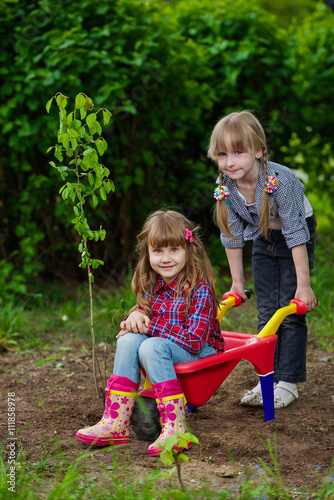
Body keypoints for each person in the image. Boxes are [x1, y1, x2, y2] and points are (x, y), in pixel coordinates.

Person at [76, 209, 225, 455]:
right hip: (167, 348)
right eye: (158, 251)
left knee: (150, 345)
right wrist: (134, 316)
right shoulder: (151, 283)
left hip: (201, 354)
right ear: (147, 253)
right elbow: (144, 316)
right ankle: (116, 422)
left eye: (174, 250)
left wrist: (151, 326)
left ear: (189, 251)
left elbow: (196, 341)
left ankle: (176, 428)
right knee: (129, 339)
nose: (166, 259)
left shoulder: (199, 290)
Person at [207, 110, 317, 409]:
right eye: (222, 154)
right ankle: (269, 377)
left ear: (258, 151)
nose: (230, 161)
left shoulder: (281, 182)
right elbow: (231, 236)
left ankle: (289, 382)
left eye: (238, 152)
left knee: (290, 310)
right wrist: (237, 283)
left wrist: (304, 286)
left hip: (296, 235)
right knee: (267, 311)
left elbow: (296, 235)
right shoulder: (226, 187)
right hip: (263, 236)